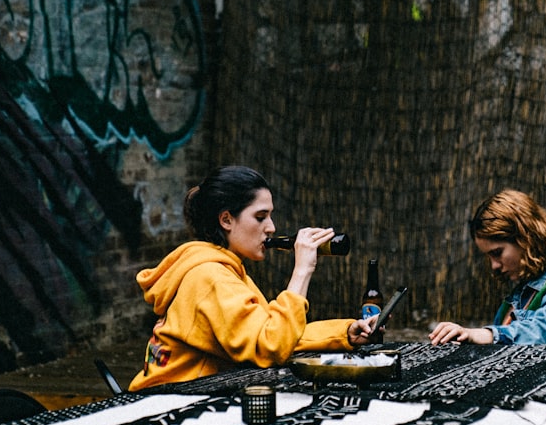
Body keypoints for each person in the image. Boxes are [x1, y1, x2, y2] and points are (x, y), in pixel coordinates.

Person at [129, 166, 377, 390]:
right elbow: (270, 347)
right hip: (167, 401)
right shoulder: (210, 277)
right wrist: (302, 270)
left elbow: (271, 331)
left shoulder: (222, 269)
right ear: (226, 219)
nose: (271, 227)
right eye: (260, 217)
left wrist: (343, 333)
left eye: (270, 216)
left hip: (188, 393)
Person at [429, 189, 546, 346]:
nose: (494, 266)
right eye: (488, 256)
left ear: (526, 239)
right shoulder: (521, 292)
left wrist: (485, 334)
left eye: (497, 253)